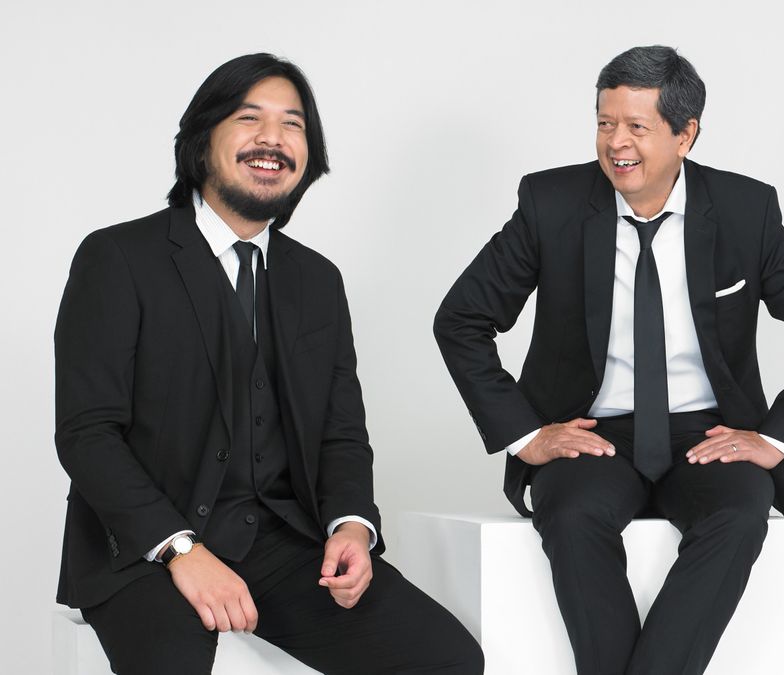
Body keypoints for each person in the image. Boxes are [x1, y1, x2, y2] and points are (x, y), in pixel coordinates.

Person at [434, 45, 784, 674]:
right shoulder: (550, 203)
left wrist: (774, 439)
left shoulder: (745, 210)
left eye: (637, 126)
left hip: (707, 432)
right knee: (571, 514)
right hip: (591, 431)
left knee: (740, 513)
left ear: (686, 135)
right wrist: (527, 435)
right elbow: (461, 319)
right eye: (605, 123)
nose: (616, 143)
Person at [55, 52, 483, 675]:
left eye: (292, 124)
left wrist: (352, 526)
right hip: (147, 550)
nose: (273, 139)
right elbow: (87, 433)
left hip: (282, 545)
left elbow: (340, 432)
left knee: (447, 659)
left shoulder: (317, 280)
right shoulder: (118, 257)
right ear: (202, 141)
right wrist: (181, 551)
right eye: (249, 118)